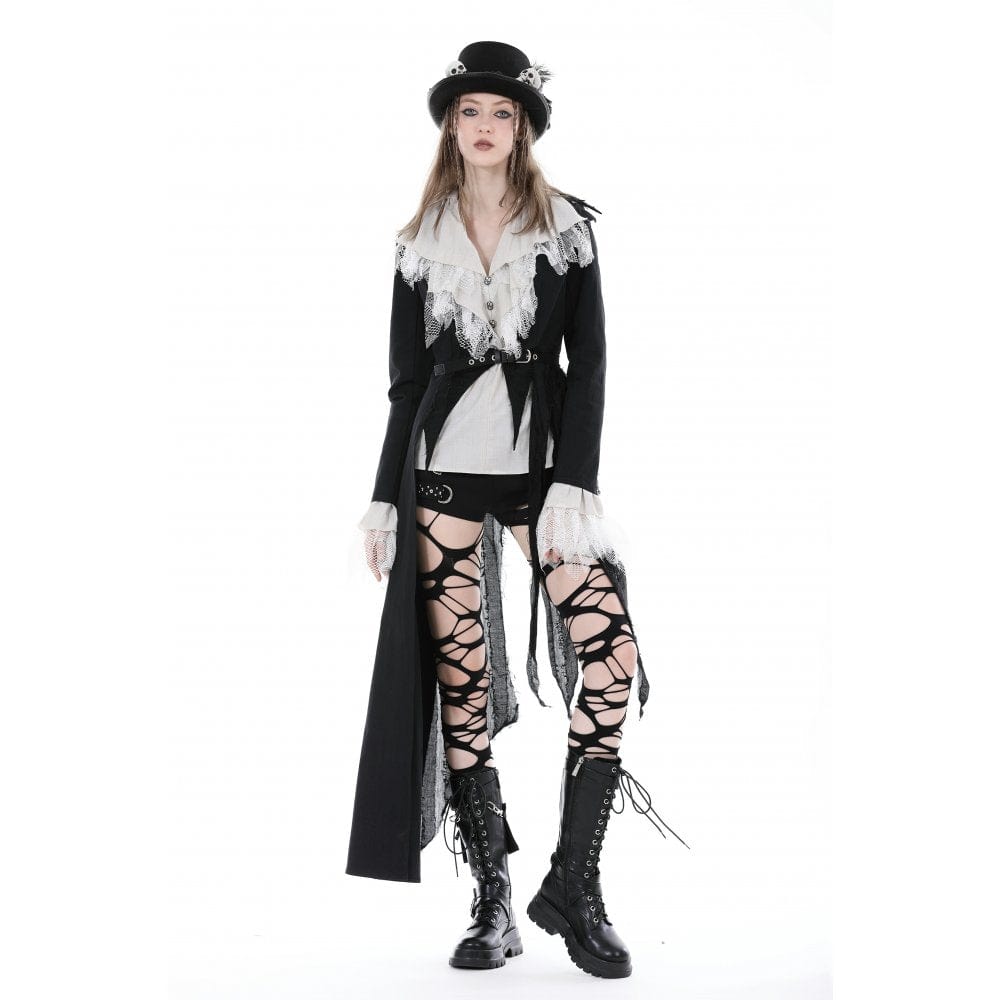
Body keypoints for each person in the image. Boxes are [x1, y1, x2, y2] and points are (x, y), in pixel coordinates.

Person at [346, 41, 689, 979]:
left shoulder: (567, 227)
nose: (485, 126)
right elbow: (405, 384)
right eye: (470, 112)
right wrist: (382, 501)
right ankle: (493, 900)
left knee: (612, 656)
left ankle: (573, 882)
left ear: (524, 127)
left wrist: (578, 479)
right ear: (451, 126)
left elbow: (592, 361)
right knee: (461, 687)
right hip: (443, 478)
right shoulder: (419, 240)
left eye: (502, 112)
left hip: (544, 476)